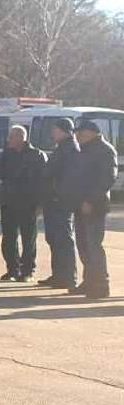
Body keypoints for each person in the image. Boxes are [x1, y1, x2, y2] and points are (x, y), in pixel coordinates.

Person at [67, 118, 116, 299]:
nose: (78, 136)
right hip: (81, 205)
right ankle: (89, 282)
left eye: (80, 133)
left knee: (94, 245)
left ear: (91, 133)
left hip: (94, 206)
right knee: (83, 245)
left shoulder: (104, 150)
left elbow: (106, 179)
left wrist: (90, 201)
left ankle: (101, 285)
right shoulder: (84, 149)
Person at [0, 124, 46, 282]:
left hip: (28, 202)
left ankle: (27, 271)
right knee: (8, 238)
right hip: (8, 201)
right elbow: (1, 171)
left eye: (11, 136)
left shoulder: (37, 155)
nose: (8, 139)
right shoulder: (6, 154)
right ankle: (12, 269)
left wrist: (40, 204)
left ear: (21, 138)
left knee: (28, 238)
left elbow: (43, 181)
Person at [38, 118, 80, 289]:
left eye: (55, 130)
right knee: (54, 239)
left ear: (65, 131)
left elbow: (69, 176)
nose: (52, 133)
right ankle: (58, 275)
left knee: (63, 239)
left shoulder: (71, 149)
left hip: (61, 201)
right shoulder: (62, 148)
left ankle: (68, 277)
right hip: (52, 200)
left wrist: (58, 194)